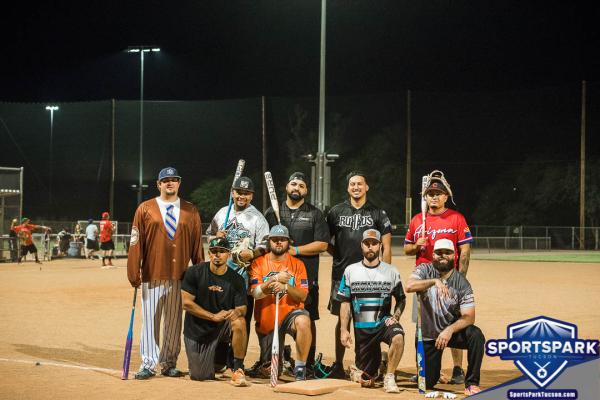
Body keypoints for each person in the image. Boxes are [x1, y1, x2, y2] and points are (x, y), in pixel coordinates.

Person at [127, 167, 204, 380]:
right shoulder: (145, 208)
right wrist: (134, 272)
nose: (170, 183)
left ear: (179, 183)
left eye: (174, 180)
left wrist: (199, 275)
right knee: (150, 321)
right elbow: (135, 242)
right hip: (152, 274)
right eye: (165, 180)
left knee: (173, 322)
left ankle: (169, 362)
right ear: (159, 184)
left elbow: (197, 245)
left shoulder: (191, 210)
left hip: (181, 276)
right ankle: (149, 363)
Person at [404, 170, 474, 384]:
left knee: (452, 321)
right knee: (422, 327)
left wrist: (459, 280)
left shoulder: (456, 218)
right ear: (425, 197)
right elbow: (407, 249)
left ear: (445, 196)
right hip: (424, 282)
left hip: (450, 279)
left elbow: (465, 250)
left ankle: (457, 369)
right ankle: (423, 368)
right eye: (430, 193)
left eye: (438, 193)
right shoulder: (417, 220)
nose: (434, 196)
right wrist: (417, 245)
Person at [326, 171, 393, 377]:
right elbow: (325, 241)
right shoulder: (335, 212)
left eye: (360, 184)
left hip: (370, 277)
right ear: (348, 188)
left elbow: (387, 247)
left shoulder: (377, 213)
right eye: (352, 184)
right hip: (342, 275)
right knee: (342, 319)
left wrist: (385, 273)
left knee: (366, 319)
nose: (356, 187)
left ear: (366, 187)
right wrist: (338, 257)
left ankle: (366, 361)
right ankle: (338, 364)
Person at [263, 171, 329, 375]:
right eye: (293, 184)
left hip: (305, 277)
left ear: (306, 190)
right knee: (271, 316)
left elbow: (322, 243)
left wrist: (296, 250)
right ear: (286, 187)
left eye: (301, 185)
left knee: (308, 319)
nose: (296, 188)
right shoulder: (271, 213)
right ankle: (274, 360)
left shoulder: (315, 214)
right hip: (275, 275)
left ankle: (307, 363)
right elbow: (265, 241)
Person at [405, 239, 484, 396]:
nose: (443, 256)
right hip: (428, 335)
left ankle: (472, 384)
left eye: (447, 253)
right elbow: (409, 286)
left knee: (476, 335)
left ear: (454, 256)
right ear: (433, 255)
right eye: (439, 252)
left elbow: (469, 317)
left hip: (450, 333)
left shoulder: (462, 283)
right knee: (427, 383)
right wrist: (434, 281)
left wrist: (449, 330)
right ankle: (434, 372)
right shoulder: (424, 270)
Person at [338, 229, 406, 393]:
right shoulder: (350, 271)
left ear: (380, 246)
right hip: (363, 331)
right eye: (367, 244)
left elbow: (401, 299)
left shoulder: (391, 271)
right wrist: (343, 329)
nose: (370, 247)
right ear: (361, 246)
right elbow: (345, 303)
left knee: (398, 336)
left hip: (383, 322)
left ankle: (389, 376)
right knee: (367, 379)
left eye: (374, 244)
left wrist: (395, 317)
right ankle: (380, 363)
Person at [206, 176, 269, 336]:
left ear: (252, 196)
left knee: (241, 321)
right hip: (220, 275)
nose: (242, 196)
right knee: (219, 319)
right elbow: (209, 236)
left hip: (243, 277)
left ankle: (236, 360)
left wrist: (252, 253)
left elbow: (265, 245)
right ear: (232, 193)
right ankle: (218, 360)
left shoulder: (257, 218)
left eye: (246, 193)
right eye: (239, 192)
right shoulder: (221, 213)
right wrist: (216, 237)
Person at [181, 237, 248, 386]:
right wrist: (212, 316)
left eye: (222, 251)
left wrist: (235, 312)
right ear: (209, 254)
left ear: (229, 254)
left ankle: (238, 368)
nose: (218, 255)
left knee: (239, 322)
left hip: (221, 327)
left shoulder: (236, 279)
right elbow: (186, 303)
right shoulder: (194, 272)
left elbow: (242, 307)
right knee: (200, 376)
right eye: (214, 251)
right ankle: (219, 359)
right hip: (196, 331)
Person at [249, 224, 311, 381]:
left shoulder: (298, 265)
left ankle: (300, 368)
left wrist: (285, 286)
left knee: (303, 322)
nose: (278, 243)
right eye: (275, 240)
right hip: (267, 319)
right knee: (271, 370)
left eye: (282, 240)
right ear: (269, 242)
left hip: (291, 314)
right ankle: (284, 353)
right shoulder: (258, 263)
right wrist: (273, 280)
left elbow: (303, 296)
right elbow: (256, 293)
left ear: (288, 242)